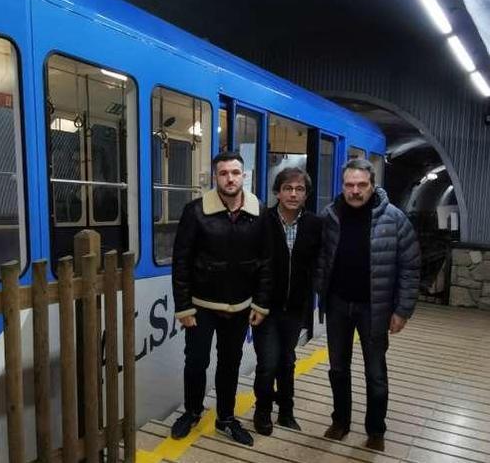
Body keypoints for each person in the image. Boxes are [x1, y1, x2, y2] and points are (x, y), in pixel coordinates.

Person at [316, 159, 420, 452]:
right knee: (338, 368)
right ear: (343, 186)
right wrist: (318, 287)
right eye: (349, 185)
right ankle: (340, 422)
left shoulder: (395, 219)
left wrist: (402, 311)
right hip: (338, 305)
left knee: (375, 373)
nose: (355, 191)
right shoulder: (330, 215)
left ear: (372, 185)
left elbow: (410, 267)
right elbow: (320, 258)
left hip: (374, 309)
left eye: (361, 185)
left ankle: (376, 430)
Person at [170, 151, 272, 446]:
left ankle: (225, 418)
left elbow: (266, 262)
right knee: (196, 362)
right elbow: (181, 262)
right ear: (216, 176)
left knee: (231, 363)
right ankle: (192, 412)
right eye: (224, 173)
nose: (230, 178)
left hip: (241, 306)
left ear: (244, 176)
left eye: (235, 172)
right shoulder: (196, 211)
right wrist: (183, 306)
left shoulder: (259, 212)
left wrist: (261, 303)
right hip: (201, 306)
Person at [252, 167, 322, 436]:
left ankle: (286, 412)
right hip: (264, 308)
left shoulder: (315, 225)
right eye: (288, 188)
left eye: (300, 189)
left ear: (306, 194)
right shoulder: (262, 222)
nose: (294, 194)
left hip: (295, 308)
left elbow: (320, 264)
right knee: (267, 361)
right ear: (277, 192)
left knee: (287, 360)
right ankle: (262, 411)